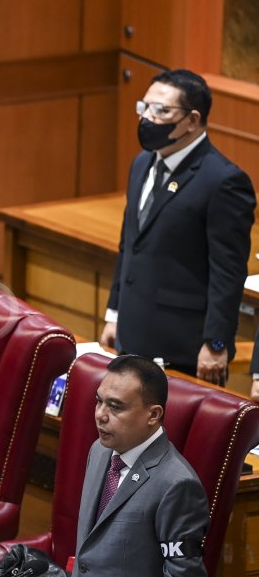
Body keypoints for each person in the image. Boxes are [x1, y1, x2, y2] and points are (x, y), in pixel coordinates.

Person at [99, 69, 255, 385]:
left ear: (193, 120)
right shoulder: (142, 162)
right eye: (145, 107)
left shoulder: (223, 181)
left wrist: (217, 344)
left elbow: (228, 271)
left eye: (162, 111)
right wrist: (114, 313)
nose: (148, 118)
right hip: (132, 334)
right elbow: (129, 243)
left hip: (182, 347)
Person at [61, 355, 208, 577]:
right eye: (98, 402)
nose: (101, 415)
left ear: (153, 414)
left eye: (115, 406)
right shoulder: (99, 452)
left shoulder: (176, 484)